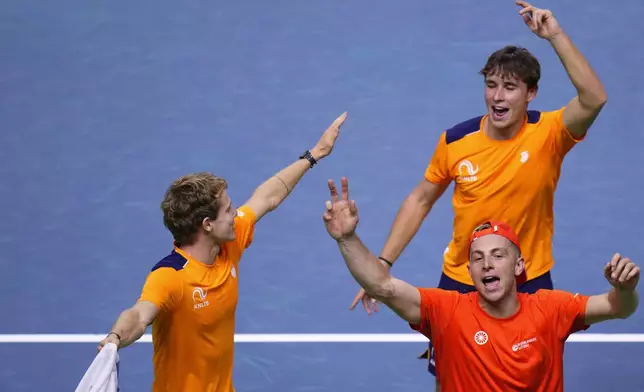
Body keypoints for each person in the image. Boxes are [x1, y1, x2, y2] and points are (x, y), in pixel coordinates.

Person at [349, 1, 608, 385]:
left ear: (531, 93)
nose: (497, 97)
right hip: (461, 278)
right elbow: (422, 198)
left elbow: (594, 98)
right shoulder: (457, 141)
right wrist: (383, 262)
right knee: (450, 374)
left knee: (533, 375)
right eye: (491, 85)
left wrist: (554, 35)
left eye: (510, 87)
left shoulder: (550, 134)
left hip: (529, 277)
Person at [96, 112, 347, 392]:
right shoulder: (170, 276)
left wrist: (315, 154)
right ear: (207, 225)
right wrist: (116, 337)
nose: (235, 213)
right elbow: (139, 315)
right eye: (228, 209)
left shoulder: (227, 242)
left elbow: (267, 196)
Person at [325, 177, 639, 392]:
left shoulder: (551, 308)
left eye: (497, 255)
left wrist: (624, 290)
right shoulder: (446, 310)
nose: (486, 264)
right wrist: (347, 239)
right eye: (477, 258)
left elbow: (617, 308)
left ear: (518, 266)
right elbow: (383, 287)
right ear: (470, 271)